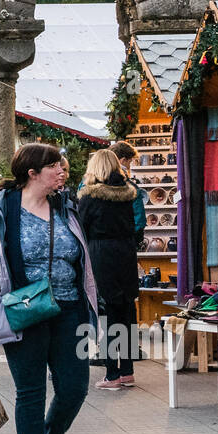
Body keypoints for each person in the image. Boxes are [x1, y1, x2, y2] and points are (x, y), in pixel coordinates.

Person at [0, 143, 96, 434]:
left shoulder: (67, 206)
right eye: (54, 167)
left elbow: (81, 258)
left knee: (75, 389)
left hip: (69, 310)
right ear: (32, 173)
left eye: (62, 166)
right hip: (23, 311)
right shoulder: (2, 212)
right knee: (31, 393)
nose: (63, 171)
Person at [76, 149, 140, 390]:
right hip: (126, 253)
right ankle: (128, 371)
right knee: (127, 312)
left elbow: (81, 229)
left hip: (101, 254)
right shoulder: (128, 195)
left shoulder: (90, 198)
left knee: (109, 314)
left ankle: (112, 373)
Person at [109, 140, 147, 250]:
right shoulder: (130, 188)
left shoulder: (89, 183)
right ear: (123, 160)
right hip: (125, 244)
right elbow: (139, 221)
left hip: (98, 248)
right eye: (129, 162)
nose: (130, 166)